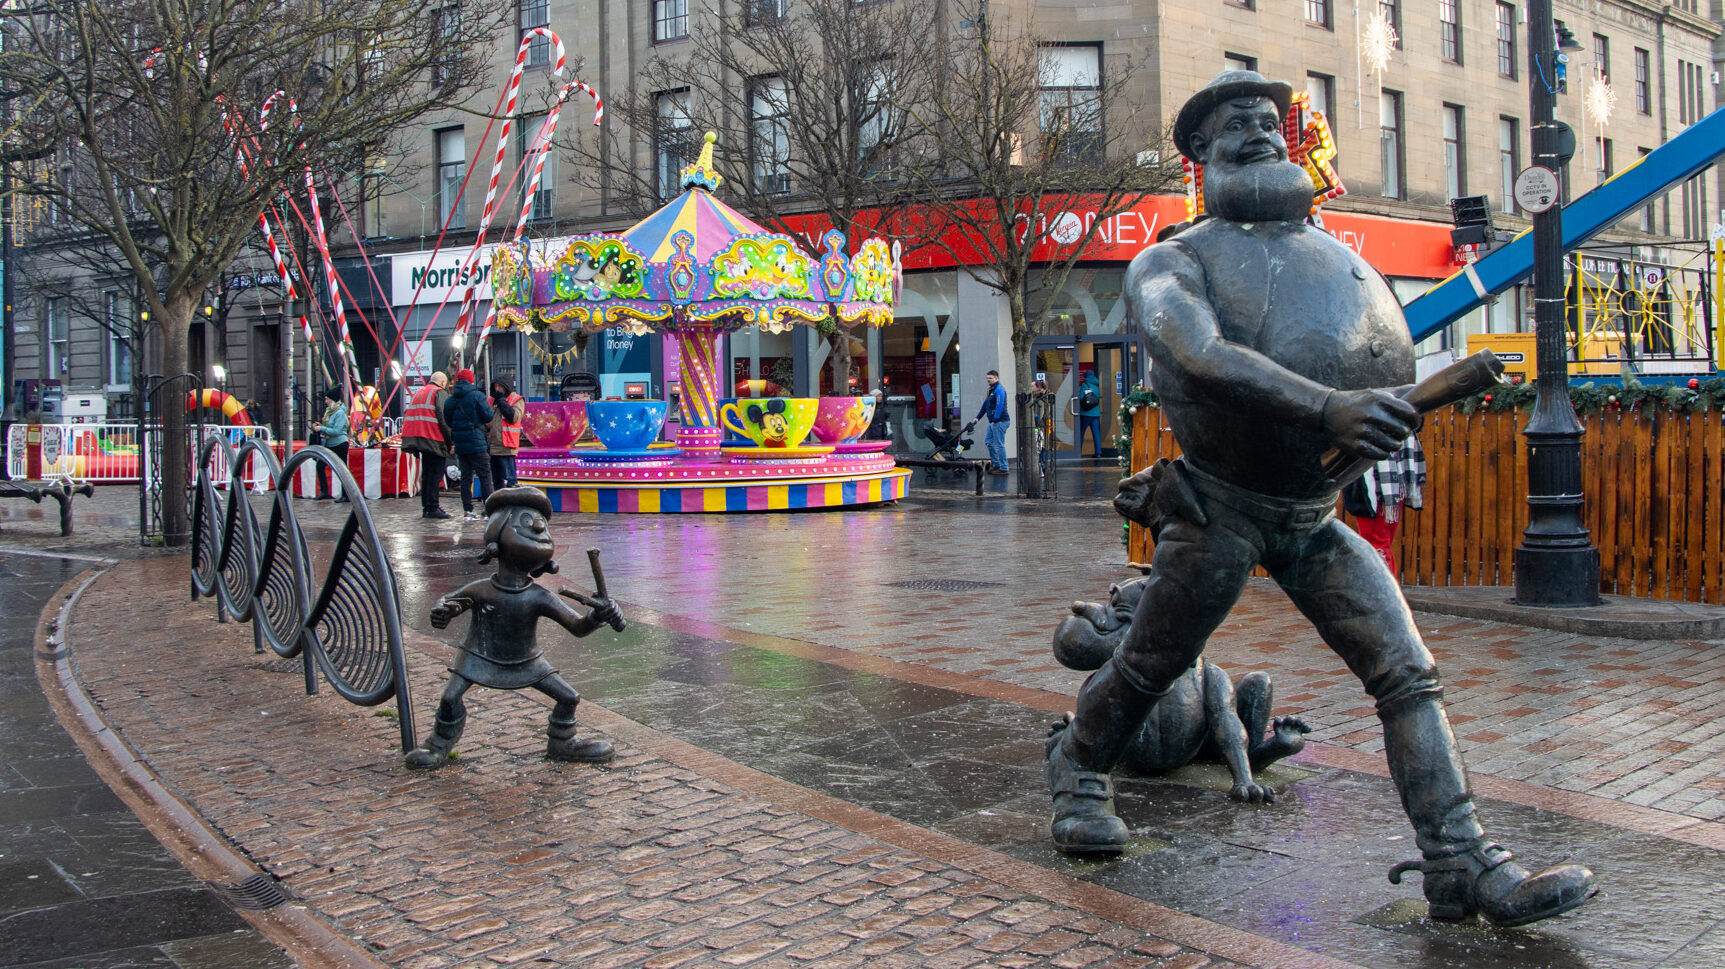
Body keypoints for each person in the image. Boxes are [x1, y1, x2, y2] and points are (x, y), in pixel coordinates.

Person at [1044, 70, 1594, 928]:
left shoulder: (1327, 250)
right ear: (1199, 154)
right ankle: (1078, 765)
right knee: (1151, 663)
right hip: (1218, 503)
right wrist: (1329, 405)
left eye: (1269, 122)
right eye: (1236, 126)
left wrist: (1388, 403)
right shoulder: (1171, 259)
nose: (1261, 134)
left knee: (1407, 672)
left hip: (1312, 508)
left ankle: (1459, 860)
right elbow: (1195, 353)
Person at [405, 487, 623, 770]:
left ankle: (562, 742)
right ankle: (438, 744)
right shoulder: (482, 589)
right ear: (496, 535)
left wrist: (598, 616)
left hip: (528, 660)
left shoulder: (539, 596)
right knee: (450, 697)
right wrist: (443, 611)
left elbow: (578, 627)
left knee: (568, 697)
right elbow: (449, 603)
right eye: (528, 524)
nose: (540, 530)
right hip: (477, 657)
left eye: (542, 527)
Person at [1345, 436, 1426, 575]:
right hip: (1396, 478)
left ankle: (1380, 594)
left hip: (1379, 482)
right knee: (1381, 543)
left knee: (1375, 547)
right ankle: (1389, 592)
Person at [443, 368, 495, 521]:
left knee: (465, 478)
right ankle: (488, 509)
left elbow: (448, 422)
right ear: (471, 381)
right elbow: (488, 416)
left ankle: (467, 510)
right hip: (477, 443)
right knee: (485, 475)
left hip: (460, 445)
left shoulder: (449, 400)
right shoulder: (477, 396)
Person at [401, 372, 454, 519]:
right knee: (435, 475)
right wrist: (451, 441)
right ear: (443, 383)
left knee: (427, 475)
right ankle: (432, 507)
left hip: (420, 439)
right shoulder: (438, 393)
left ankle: (427, 507)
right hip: (434, 438)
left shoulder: (420, 392)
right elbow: (444, 420)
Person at [487, 379, 524, 489]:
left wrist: (502, 401)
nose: (497, 389)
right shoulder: (491, 400)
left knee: (510, 480)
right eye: (496, 386)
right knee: (496, 480)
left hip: (507, 445)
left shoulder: (516, 400)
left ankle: (512, 503)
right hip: (493, 445)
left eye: (500, 386)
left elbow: (514, 417)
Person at [316, 386, 350, 503]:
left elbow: (337, 431)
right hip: (330, 444)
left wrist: (322, 428)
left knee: (342, 470)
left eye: (327, 400)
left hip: (339, 444)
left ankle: (346, 494)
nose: (325, 402)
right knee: (320, 466)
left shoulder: (340, 413)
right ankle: (324, 491)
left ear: (333, 400)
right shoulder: (330, 412)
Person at [975, 369, 1010, 475]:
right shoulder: (991, 390)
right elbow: (986, 405)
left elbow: (999, 406)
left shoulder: (999, 390)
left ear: (996, 378)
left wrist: (995, 419)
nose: (988, 380)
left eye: (990, 378)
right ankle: (996, 464)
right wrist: (977, 417)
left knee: (999, 444)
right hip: (994, 422)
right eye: (987, 378)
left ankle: (1004, 468)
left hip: (1000, 421)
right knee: (989, 442)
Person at [1076, 370, 1103, 458]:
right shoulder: (1097, 385)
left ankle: (1078, 451)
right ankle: (1098, 452)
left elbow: (1081, 397)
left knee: (1081, 433)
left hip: (1086, 413)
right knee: (1096, 433)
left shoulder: (1085, 385)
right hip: (1096, 413)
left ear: (1085, 376)